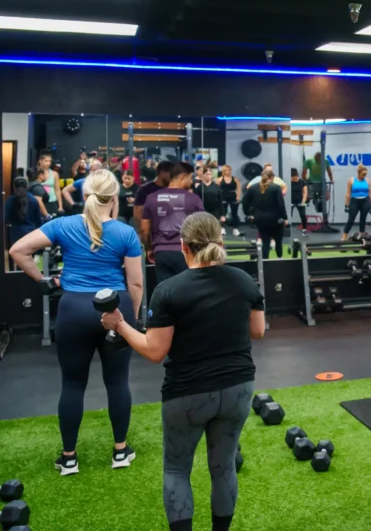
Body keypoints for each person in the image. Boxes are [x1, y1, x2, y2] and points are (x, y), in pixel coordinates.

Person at [99, 212, 265, 531]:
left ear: (183, 246)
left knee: (176, 470)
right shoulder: (244, 280)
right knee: (223, 466)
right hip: (238, 389)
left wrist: (119, 324)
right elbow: (257, 331)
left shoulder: (169, 290)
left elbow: (154, 350)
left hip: (188, 395)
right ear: (220, 242)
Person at [8, 169, 143, 475]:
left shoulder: (63, 224)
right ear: (114, 198)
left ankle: (69, 458)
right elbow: (135, 284)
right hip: (115, 309)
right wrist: (130, 321)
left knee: (72, 384)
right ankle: (120, 452)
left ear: (84, 195)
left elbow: (18, 251)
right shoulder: (125, 233)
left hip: (74, 309)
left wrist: (44, 280)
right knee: (118, 381)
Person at [142, 163, 204, 284]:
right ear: (182, 177)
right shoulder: (194, 199)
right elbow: (202, 227)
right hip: (186, 252)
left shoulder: (151, 198)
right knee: (187, 287)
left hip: (161, 252)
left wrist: (149, 249)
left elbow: (145, 230)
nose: (191, 182)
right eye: (190, 178)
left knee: (165, 290)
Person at [242, 168, 288, 260]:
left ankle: (265, 261)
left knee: (265, 241)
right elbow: (280, 204)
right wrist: (285, 217)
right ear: (272, 177)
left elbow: (244, 201)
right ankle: (280, 259)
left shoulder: (253, 188)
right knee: (278, 241)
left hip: (260, 219)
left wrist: (248, 213)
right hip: (275, 219)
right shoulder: (276, 188)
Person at [5, 178, 44, 265]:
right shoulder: (33, 200)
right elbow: (38, 218)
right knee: (29, 257)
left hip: (15, 231)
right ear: (27, 186)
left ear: (14, 187)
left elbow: (6, 216)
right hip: (30, 231)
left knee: (18, 258)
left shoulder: (10, 200)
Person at [134, 161, 173, 228]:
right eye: (171, 174)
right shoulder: (145, 190)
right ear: (162, 173)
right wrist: (144, 231)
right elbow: (137, 212)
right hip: (151, 229)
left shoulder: (173, 189)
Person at [343, 163, 371, 240]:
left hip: (365, 201)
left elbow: (370, 194)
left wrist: (370, 205)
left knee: (363, 219)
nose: (364, 176)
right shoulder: (352, 180)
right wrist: (346, 205)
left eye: (365, 174)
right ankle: (344, 237)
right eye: (363, 174)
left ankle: (361, 235)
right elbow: (348, 193)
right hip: (354, 201)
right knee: (351, 219)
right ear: (359, 173)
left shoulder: (368, 180)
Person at [217, 164, 242, 237]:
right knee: (223, 213)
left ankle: (235, 229)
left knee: (234, 213)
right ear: (224, 171)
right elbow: (217, 190)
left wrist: (238, 197)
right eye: (227, 170)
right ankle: (222, 228)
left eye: (230, 170)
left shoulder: (235, 179)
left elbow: (239, 189)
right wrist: (218, 199)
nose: (229, 171)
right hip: (223, 196)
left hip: (232, 196)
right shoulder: (219, 179)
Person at [290, 168, 309, 234]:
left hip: (300, 201)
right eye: (292, 178)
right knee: (288, 215)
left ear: (297, 175)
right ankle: (287, 229)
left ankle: (304, 229)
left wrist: (303, 201)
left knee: (303, 215)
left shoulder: (302, 182)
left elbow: (305, 192)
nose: (294, 179)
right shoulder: (288, 182)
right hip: (290, 201)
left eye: (295, 178)